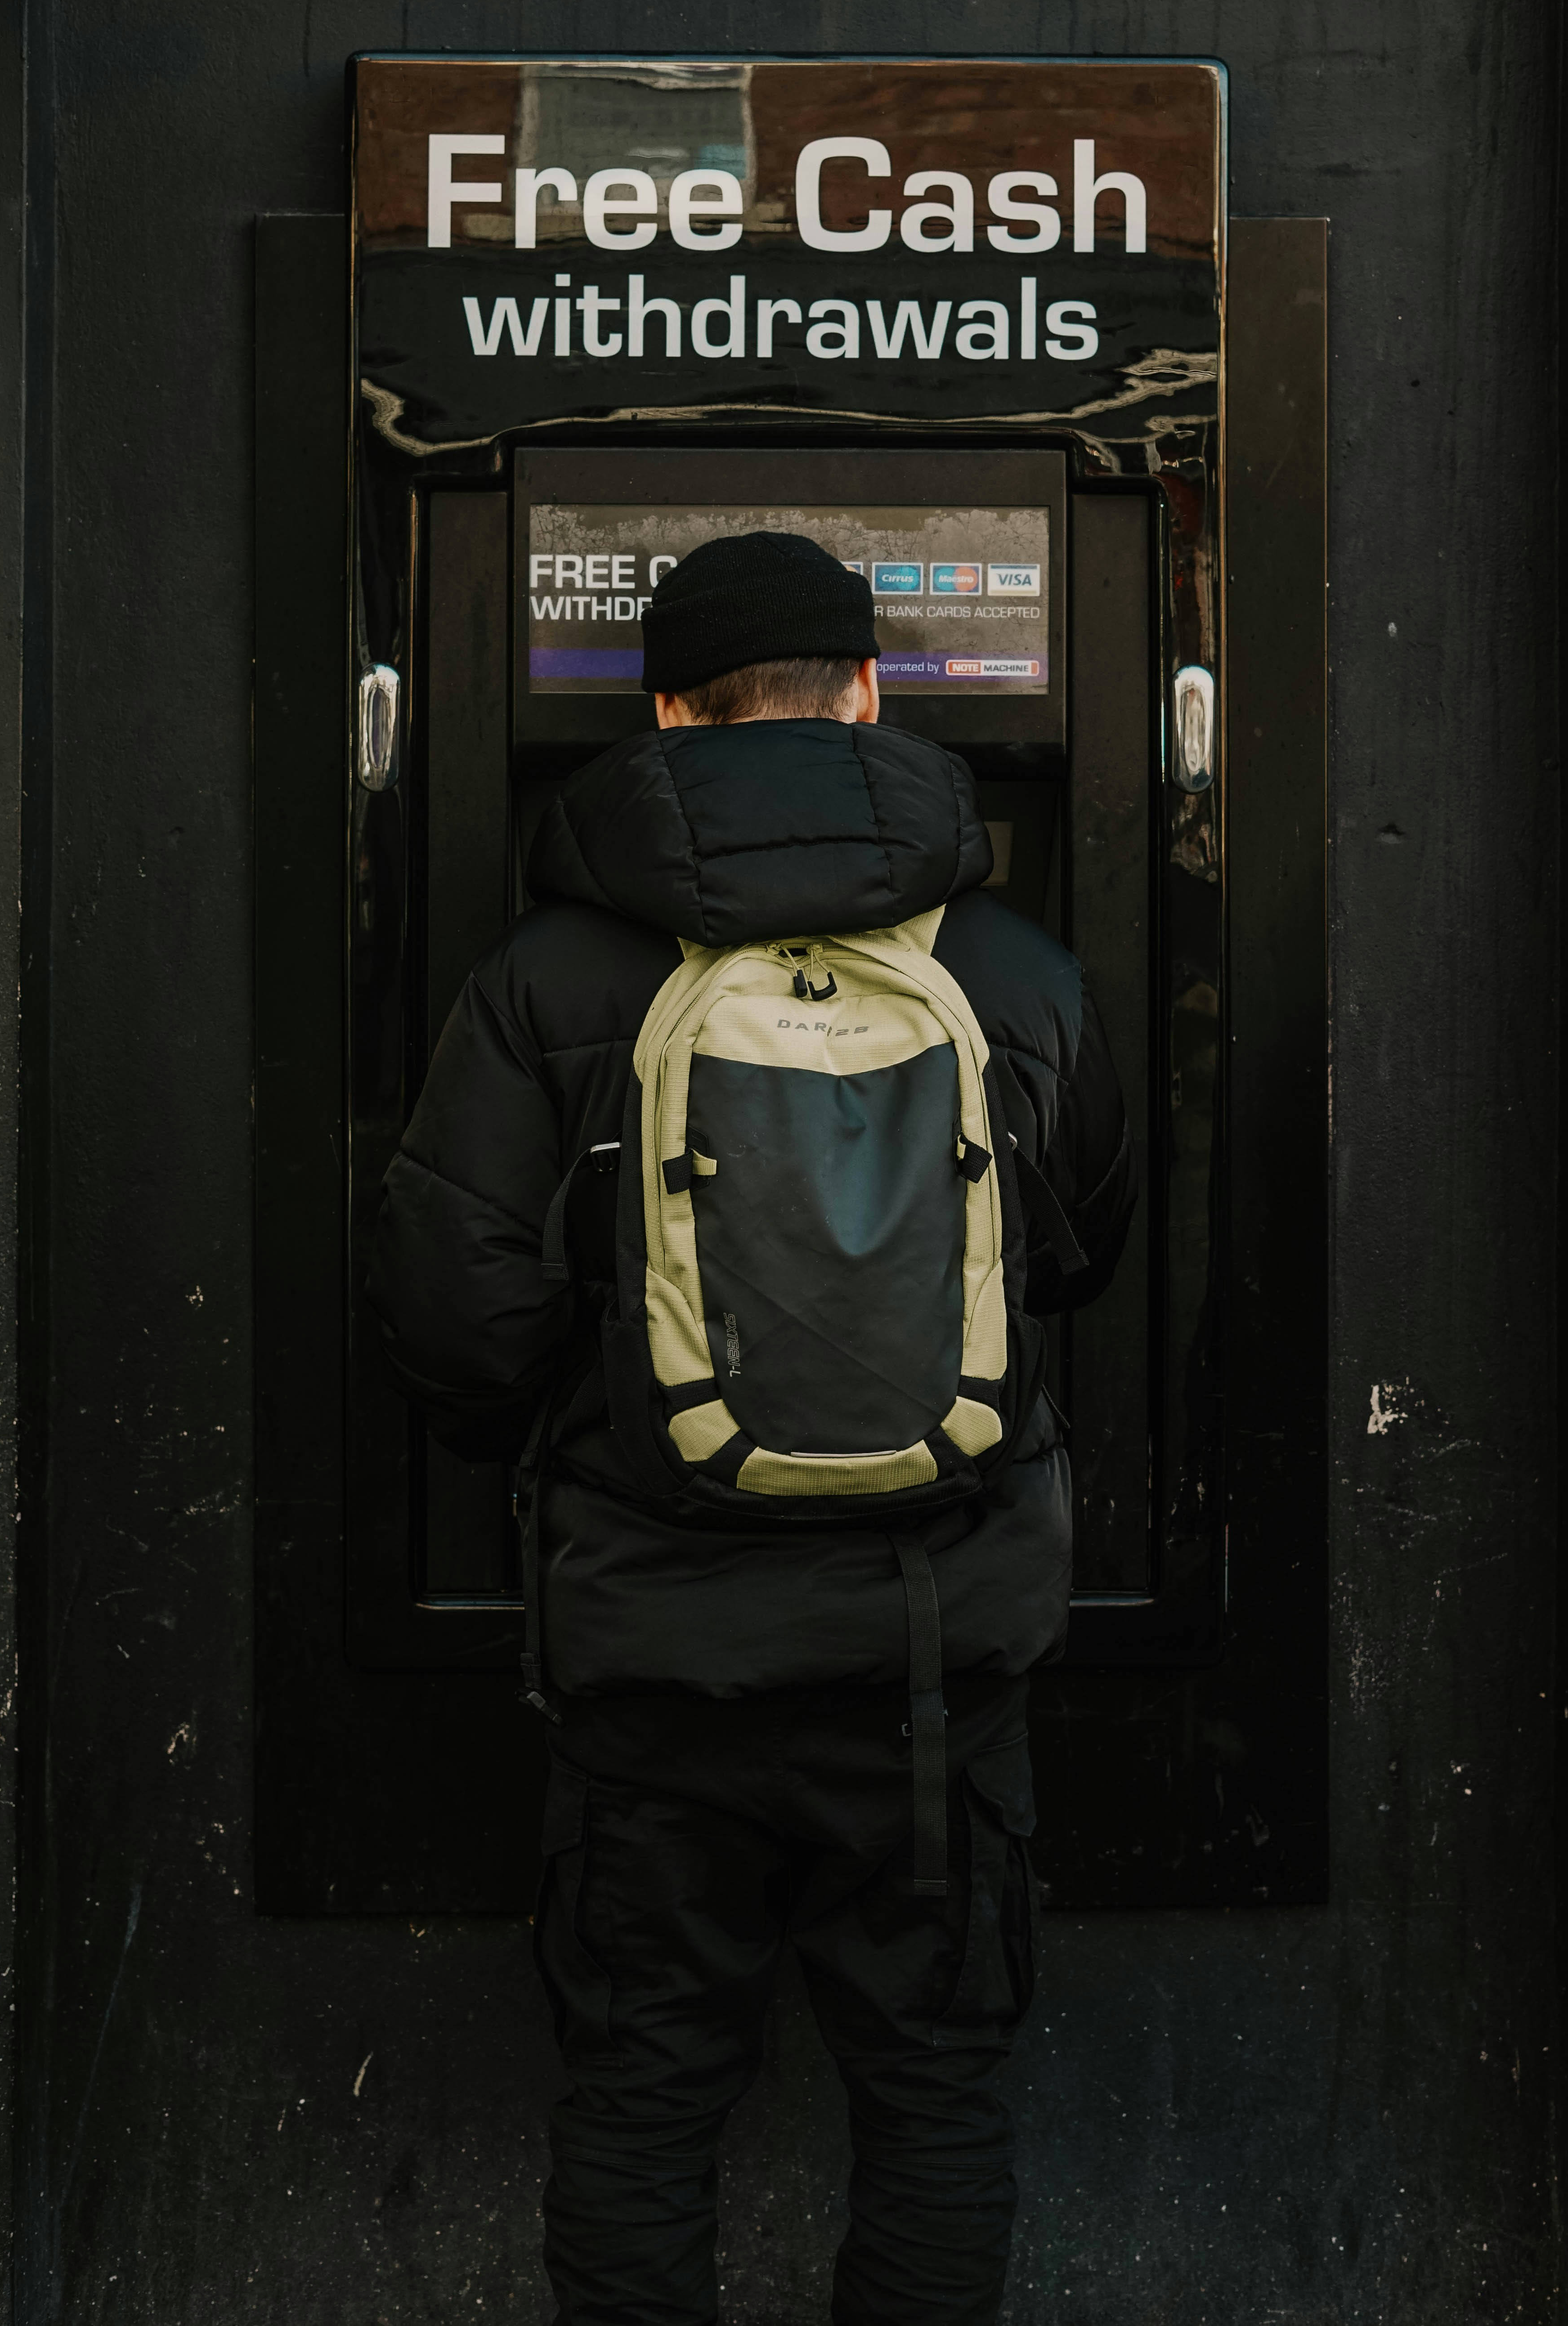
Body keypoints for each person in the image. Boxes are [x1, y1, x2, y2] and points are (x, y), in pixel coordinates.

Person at [367, 531, 1136, 2326]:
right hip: (934, 1663)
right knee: (933, 2098)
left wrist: (606, 1428)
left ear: (662, 715)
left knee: (644, 2098)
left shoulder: (550, 980)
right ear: (867, 692)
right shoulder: (1015, 974)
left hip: (657, 1659)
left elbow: (458, 1329)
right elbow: (1083, 1263)